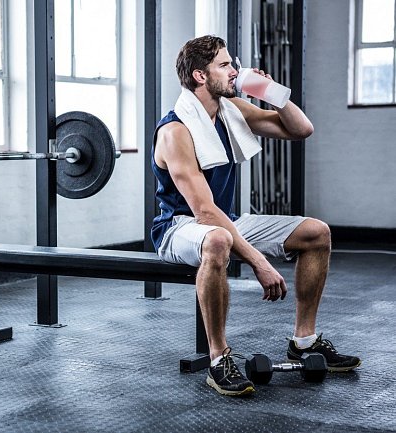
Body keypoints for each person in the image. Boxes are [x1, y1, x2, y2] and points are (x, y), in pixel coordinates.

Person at [151, 35, 361, 397]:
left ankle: (305, 340)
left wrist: (273, 93)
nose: (236, 72)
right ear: (201, 76)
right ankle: (219, 361)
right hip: (180, 227)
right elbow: (203, 211)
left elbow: (301, 129)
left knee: (317, 232)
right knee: (218, 239)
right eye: (225, 65)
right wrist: (259, 262)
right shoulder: (175, 132)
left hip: (226, 218)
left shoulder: (231, 111)